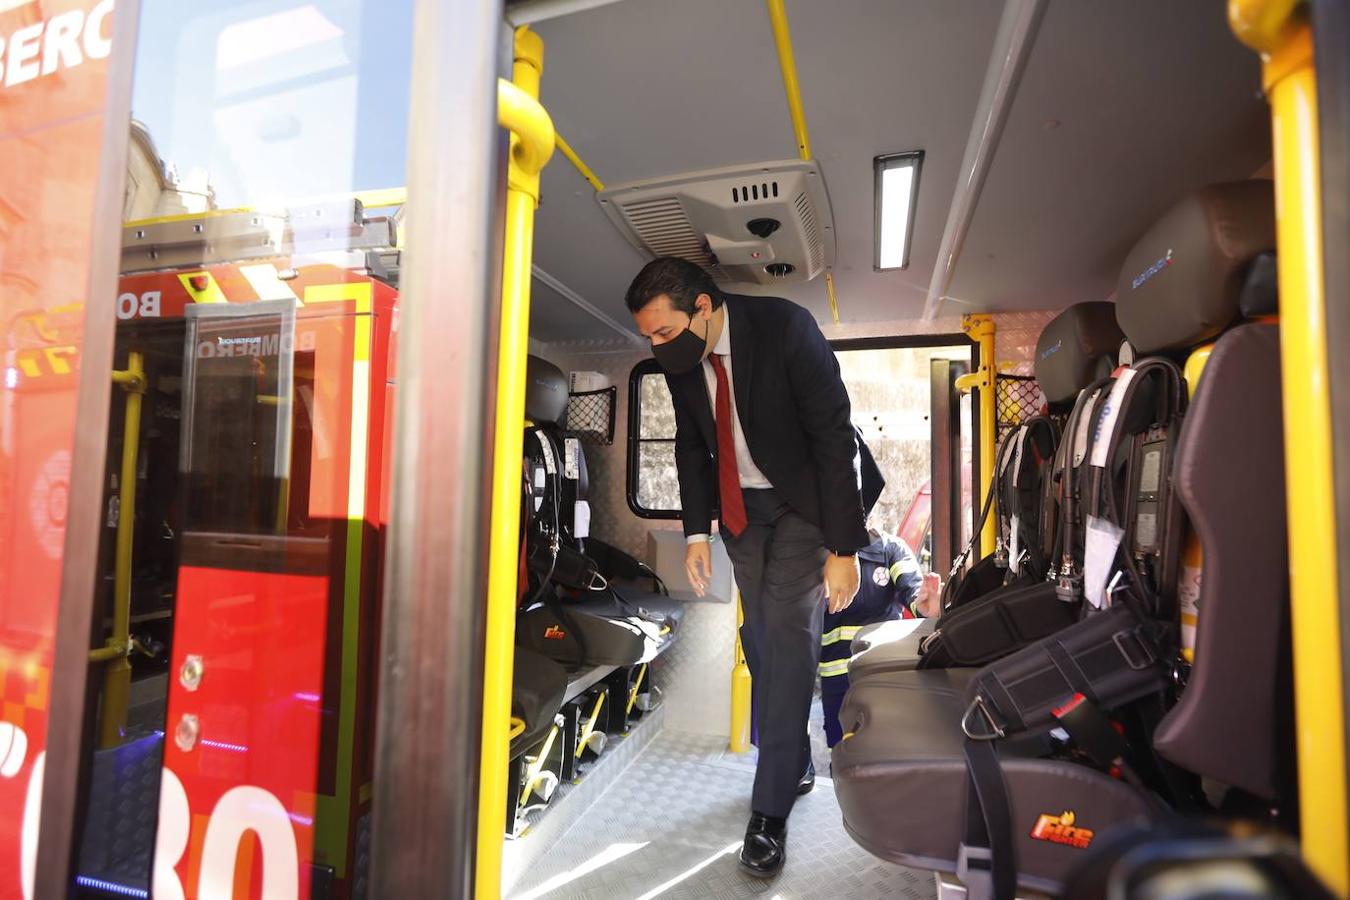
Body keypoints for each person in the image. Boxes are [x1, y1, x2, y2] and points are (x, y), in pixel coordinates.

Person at [626, 256, 872, 878]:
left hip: (804, 508)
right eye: (647, 337)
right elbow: (691, 444)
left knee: (788, 637)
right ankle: (793, 759)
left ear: (703, 309)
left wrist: (843, 549)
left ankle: (768, 814)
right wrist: (696, 533)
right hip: (743, 515)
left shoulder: (787, 329)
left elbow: (833, 437)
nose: (655, 347)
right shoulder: (681, 363)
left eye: (662, 331)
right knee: (761, 641)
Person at [817, 528, 939, 748]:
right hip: (836, 683)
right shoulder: (818, 552)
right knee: (842, 754)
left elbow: (912, 592)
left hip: (882, 678)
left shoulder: (890, 549)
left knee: (886, 751)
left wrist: (926, 608)